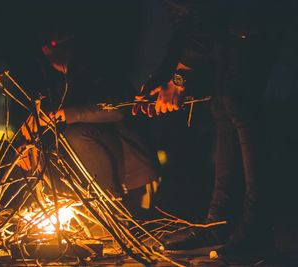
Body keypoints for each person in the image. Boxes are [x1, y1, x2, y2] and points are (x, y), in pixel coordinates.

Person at [134, 0, 294, 259]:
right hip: (234, 31)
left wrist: (178, 80)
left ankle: (257, 232)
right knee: (222, 107)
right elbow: (187, 26)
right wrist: (162, 76)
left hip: (255, 23)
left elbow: (204, 18)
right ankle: (219, 224)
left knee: (238, 104)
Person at [20, 33, 160, 212]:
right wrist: (28, 144)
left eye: (52, 43)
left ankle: (107, 205)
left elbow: (119, 109)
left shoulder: (96, 68)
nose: (46, 50)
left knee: (77, 134)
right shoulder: (65, 83)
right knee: (59, 142)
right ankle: (92, 204)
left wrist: (62, 114)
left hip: (135, 176)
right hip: (118, 170)